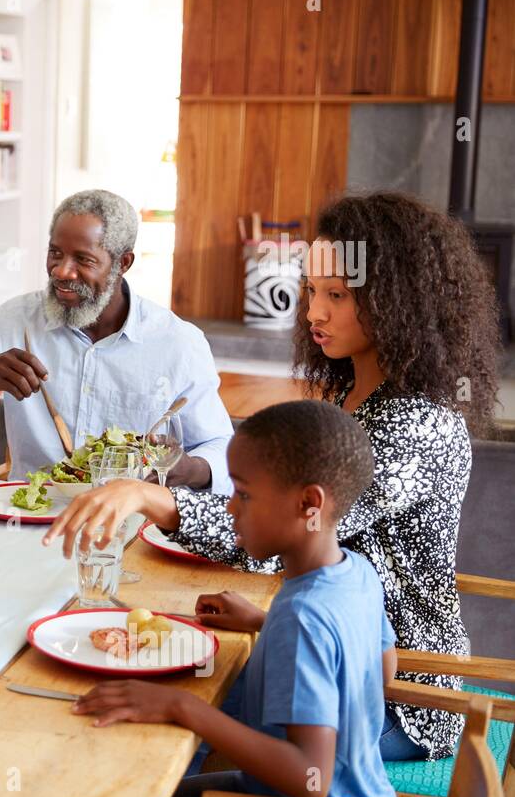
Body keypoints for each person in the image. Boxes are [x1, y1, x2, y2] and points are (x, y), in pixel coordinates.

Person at [45, 191, 503, 761]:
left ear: (396, 301)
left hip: (394, 699)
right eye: (312, 290)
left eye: (337, 295)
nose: (314, 312)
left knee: (164, 740)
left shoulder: (418, 423)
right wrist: (269, 617)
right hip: (330, 654)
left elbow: (291, 526)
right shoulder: (355, 392)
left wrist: (150, 494)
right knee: (152, 687)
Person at [76, 400, 399, 797]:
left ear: (308, 504)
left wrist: (183, 706)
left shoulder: (302, 618)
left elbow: (309, 781)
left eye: (243, 494)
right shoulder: (355, 573)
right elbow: (382, 667)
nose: (230, 507)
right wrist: (266, 621)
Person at [0, 189, 235, 491]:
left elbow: (220, 447)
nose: (62, 271)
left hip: (132, 520)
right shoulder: (16, 319)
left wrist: (188, 468)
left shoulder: (178, 343)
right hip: (30, 519)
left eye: (83, 260)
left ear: (123, 263)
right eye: (55, 253)